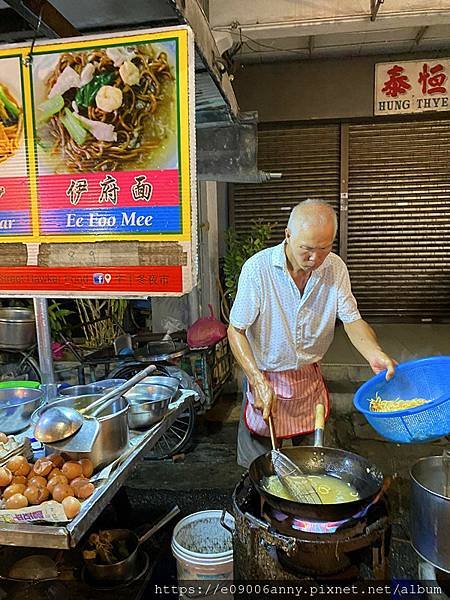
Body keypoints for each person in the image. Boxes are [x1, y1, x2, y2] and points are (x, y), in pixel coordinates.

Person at [228, 199, 397, 468]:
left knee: (311, 466)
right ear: (288, 235)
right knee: (257, 470)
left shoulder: (335, 268)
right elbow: (236, 330)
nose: (315, 258)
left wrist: (373, 353)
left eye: (324, 248)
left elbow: (352, 320)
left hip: (308, 382)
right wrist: (256, 380)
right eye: (306, 249)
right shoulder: (258, 270)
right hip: (265, 379)